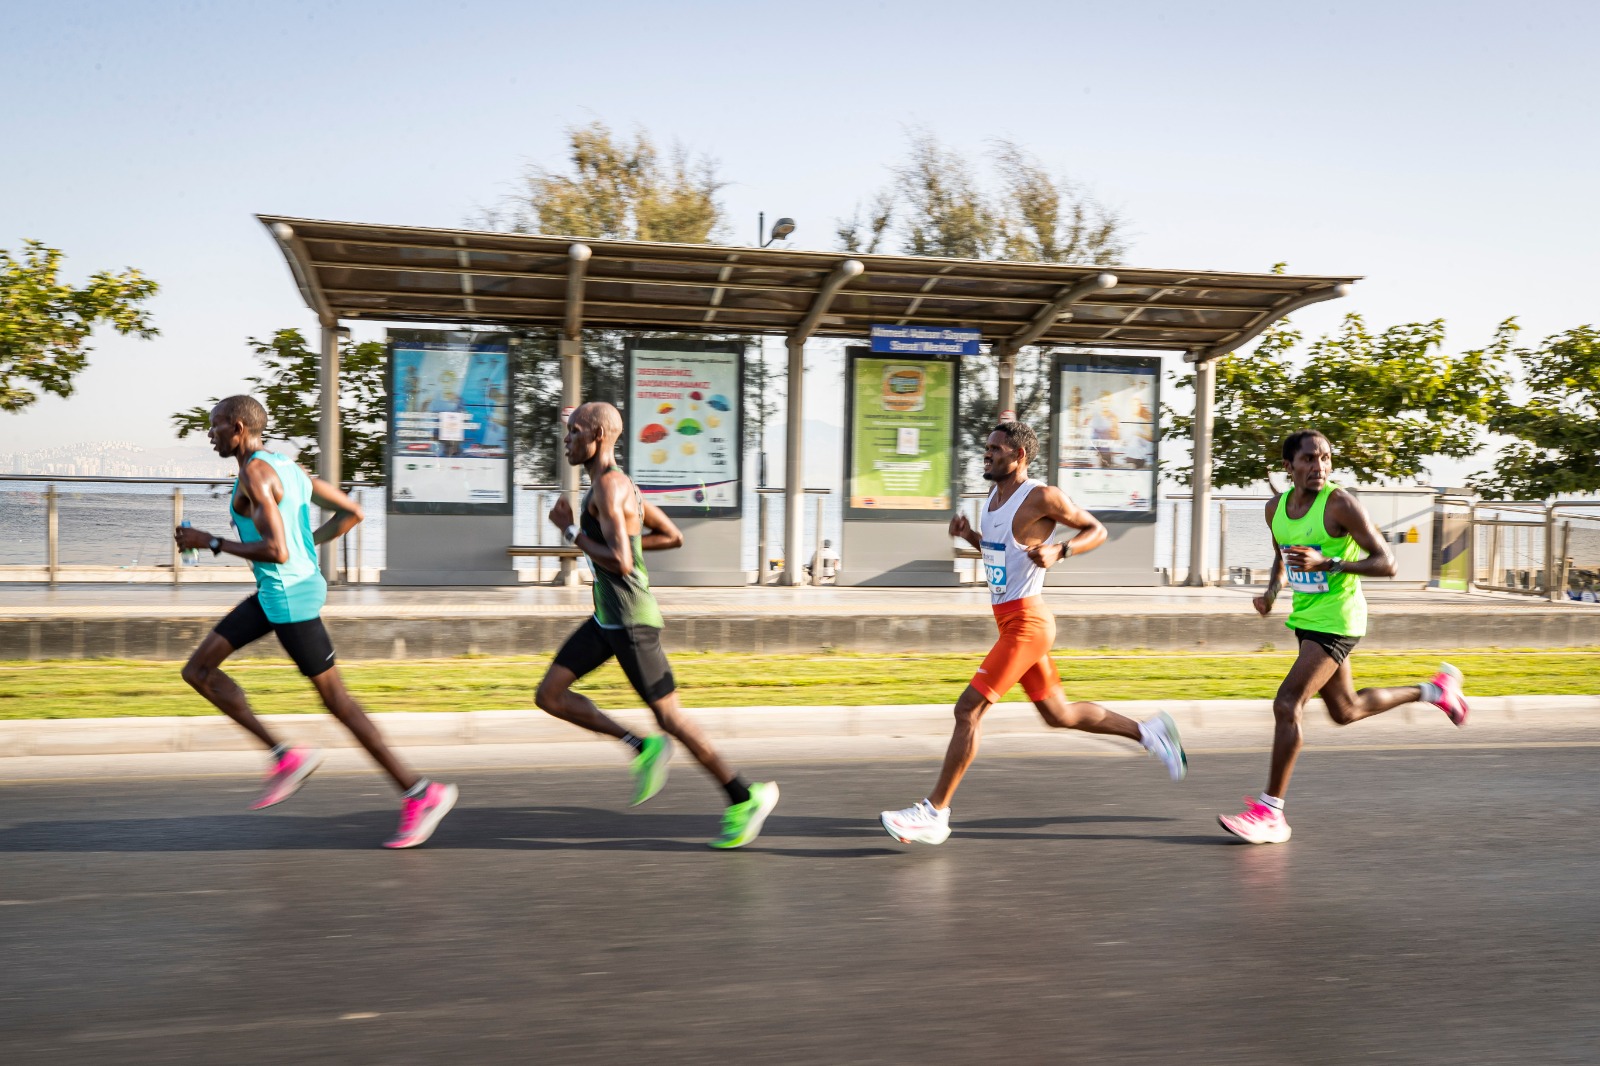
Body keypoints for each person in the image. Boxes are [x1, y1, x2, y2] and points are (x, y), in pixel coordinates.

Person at [879, 421, 1188, 846]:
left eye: (996, 448)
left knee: (968, 710)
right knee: (1058, 714)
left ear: (1019, 455)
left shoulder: (1042, 496)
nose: (987, 453)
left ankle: (934, 813)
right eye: (987, 447)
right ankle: (1150, 733)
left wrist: (1061, 549)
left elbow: (1096, 530)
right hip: (1010, 622)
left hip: (1028, 623)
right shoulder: (992, 499)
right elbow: (1001, 555)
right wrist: (970, 536)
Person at [175, 395, 457, 849]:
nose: (210, 434)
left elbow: (276, 550)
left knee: (339, 703)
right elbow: (352, 513)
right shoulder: (288, 467)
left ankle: (420, 792)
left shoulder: (255, 474)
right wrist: (309, 540)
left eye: (216, 425)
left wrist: (210, 542)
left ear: (239, 428)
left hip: (289, 596)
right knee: (198, 671)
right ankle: (285, 757)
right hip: (280, 591)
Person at [534, 402, 779, 849]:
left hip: (629, 620)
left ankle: (745, 796)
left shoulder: (609, 488)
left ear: (598, 437)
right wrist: (620, 539)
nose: (566, 440)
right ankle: (640, 746)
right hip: (607, 618)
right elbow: (671, 536)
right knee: (549, 695)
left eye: (574, 431)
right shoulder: (621, 486)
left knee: (671, 718)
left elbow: (622, 563)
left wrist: (570, 532)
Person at [1218, 429, 1469, 845]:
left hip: (1338, 620)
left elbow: (1386, 562)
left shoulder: (1340, 504)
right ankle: (1435, 691)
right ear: (1289, 466)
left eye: (1326, 458)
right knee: (1345, 710)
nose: (1319, 466)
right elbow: (1282, 555)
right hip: (1306, 619)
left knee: (1287, 703)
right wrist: (1271, 593)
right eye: (1309, 459)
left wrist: (1328, 563)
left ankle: (1270, 813)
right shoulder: (1275, 509)